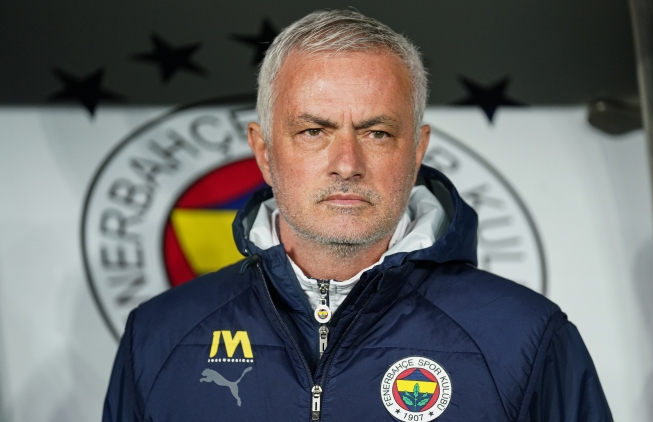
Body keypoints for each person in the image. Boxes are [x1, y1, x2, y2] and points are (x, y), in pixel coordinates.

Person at [103, 10, 612, 421]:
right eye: (313, 131)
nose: (347, 164)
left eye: (377, 133)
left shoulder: (526, 337)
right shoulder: (159, 336)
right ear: (264, 152)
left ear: (417, 150)